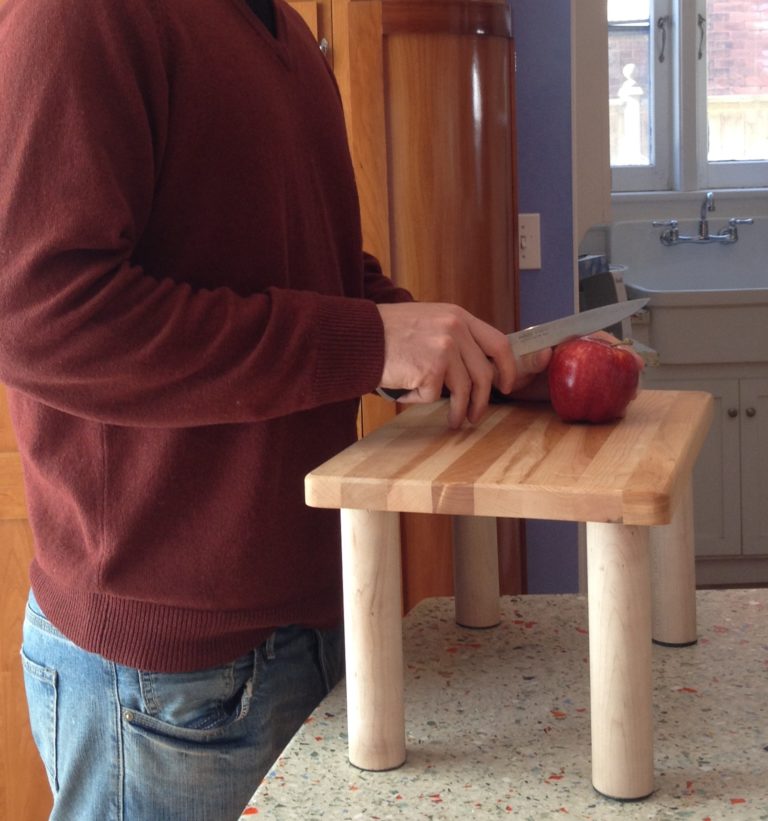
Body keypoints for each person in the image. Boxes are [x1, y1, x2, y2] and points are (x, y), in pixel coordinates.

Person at [0, 0, 549, 818]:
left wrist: (437, 346)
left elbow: (308, 267)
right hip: (169, 677)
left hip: (314, 620)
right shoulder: (80, 14)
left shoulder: (283, 28)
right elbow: (36, 314)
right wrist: (368, 342)